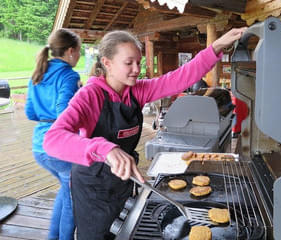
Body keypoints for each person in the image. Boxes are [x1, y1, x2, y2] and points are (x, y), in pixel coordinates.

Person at [43, 27, 247, 240]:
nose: (136, 69)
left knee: (122, 232)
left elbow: (180, 78)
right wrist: (104, 148)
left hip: (123, 181)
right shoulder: (89, 96)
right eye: (128, 63)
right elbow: (53, 139)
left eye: (138, 62)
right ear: (107, 63)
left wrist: (215, 47)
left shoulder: (136, 91)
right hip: (93, 187)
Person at [25, 28, 81, 240]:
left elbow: (31, 112)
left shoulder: (38, 74)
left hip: (39, 147)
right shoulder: (68, 75)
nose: (78, 55)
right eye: (78, 51)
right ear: (69, 51)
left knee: (65, 190)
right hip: (59, 149)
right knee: (73, 200)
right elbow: (63, 112)